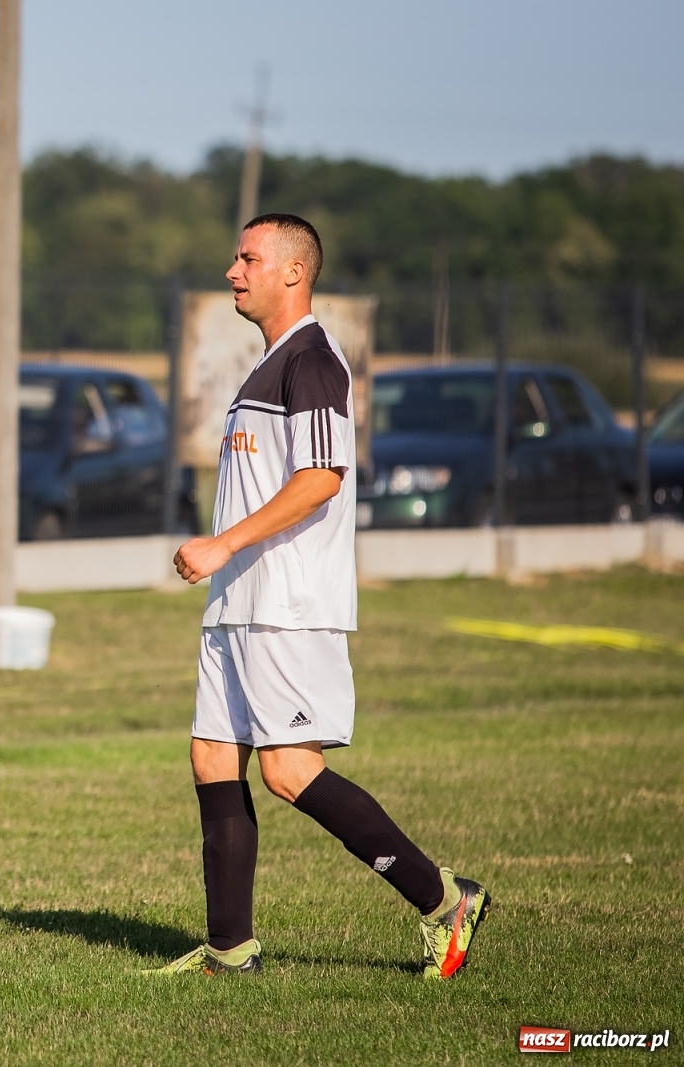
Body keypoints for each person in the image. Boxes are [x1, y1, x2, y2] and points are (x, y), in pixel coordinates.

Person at [161, 214, 489, 979]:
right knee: (213, 754)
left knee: (287, 769)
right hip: (240, 602)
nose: (233, 269)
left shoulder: (312, 361)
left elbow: (320, 478)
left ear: (292, 273)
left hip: (288, 602)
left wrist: (222, 543)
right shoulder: (270, 362)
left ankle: (446, 899)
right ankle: (230, 949)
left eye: (249, 258)